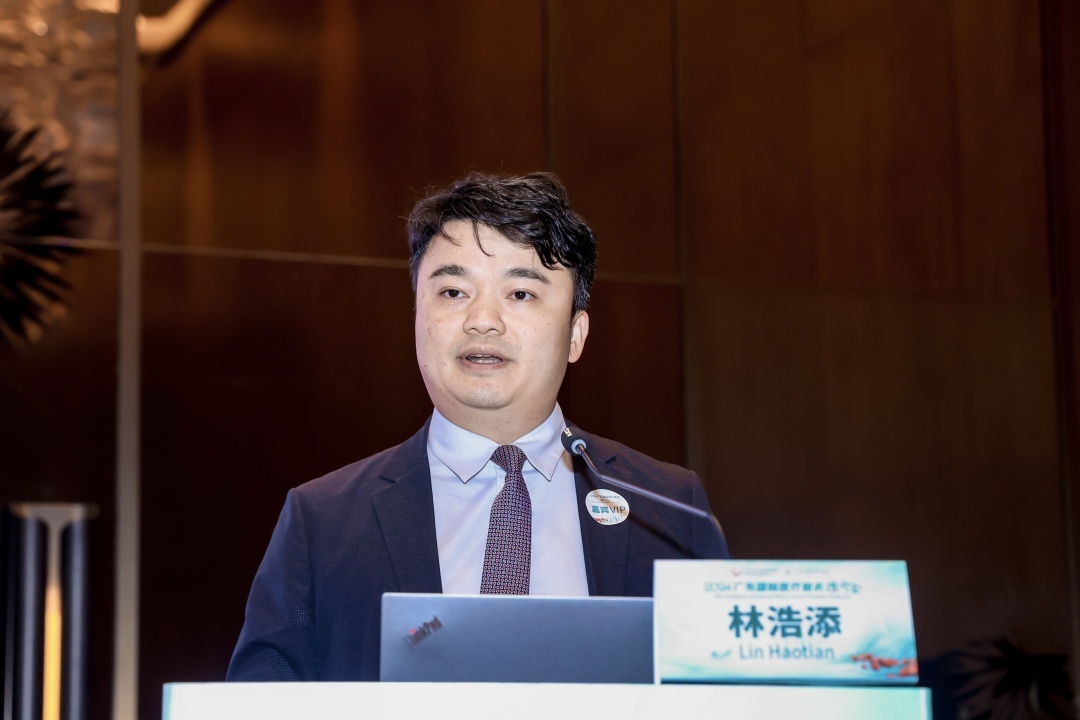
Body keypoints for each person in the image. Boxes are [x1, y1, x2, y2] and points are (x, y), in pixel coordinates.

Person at [227, 172, 729, 681]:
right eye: (452, 291)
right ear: (417, 316)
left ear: (576, 334)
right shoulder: (324, 520)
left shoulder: (668, 509)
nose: (483, 319)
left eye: (521, 294)